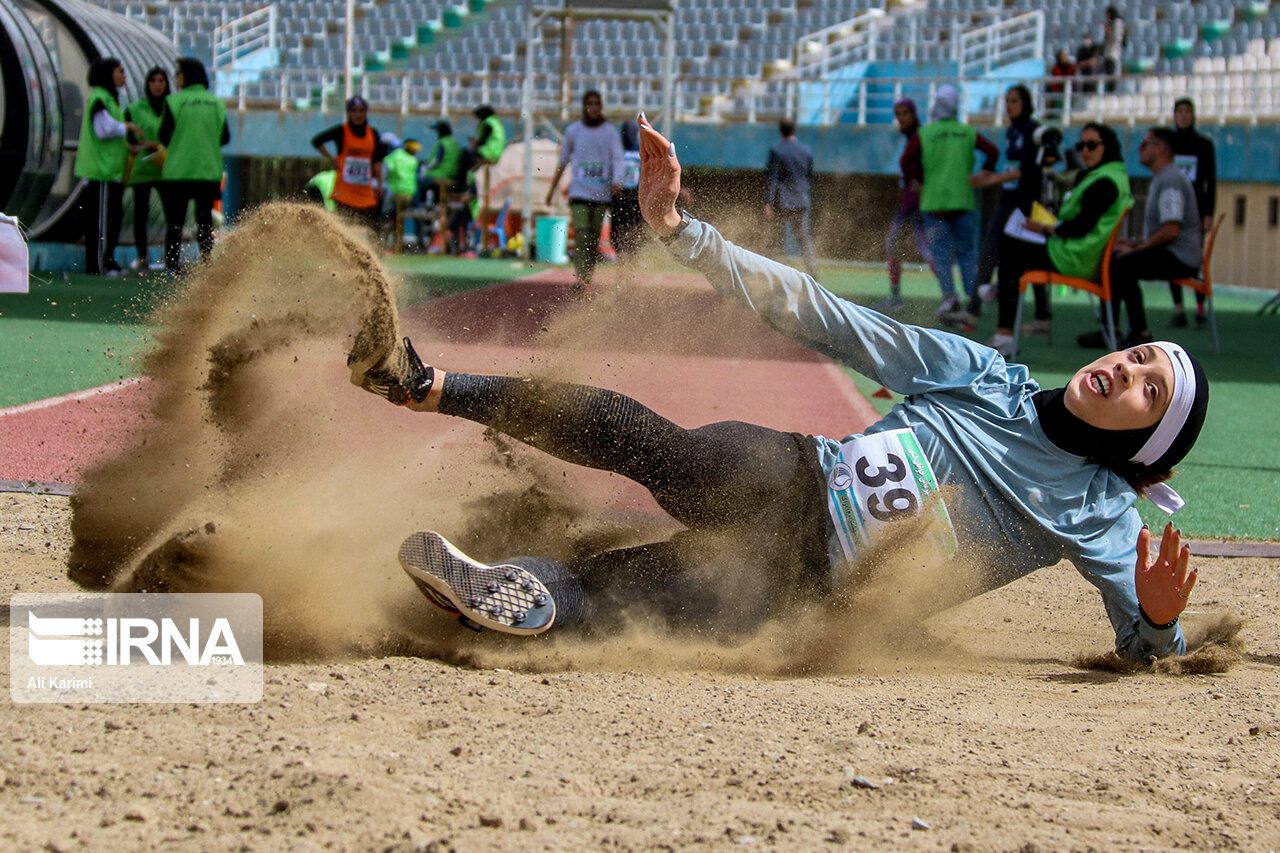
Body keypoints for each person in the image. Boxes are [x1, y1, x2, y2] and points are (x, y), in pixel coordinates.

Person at [350, 114, 1208, 665]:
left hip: (807, 590)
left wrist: (1161, 624)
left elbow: (1146, 649)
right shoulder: (984, 377)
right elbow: (826, 315)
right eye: (1137, 355)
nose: (1124, 368)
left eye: (1146, 387)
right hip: (793, 475)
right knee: (658, 443)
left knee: (621, 591)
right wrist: (684, 232)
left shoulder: (1104, 515)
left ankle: (508, 592)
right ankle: (426, 382)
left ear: (1146, 441)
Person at [988, 123, 1132, 356]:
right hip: (1076, 251)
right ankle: (1003, 292)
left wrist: (1045, 229)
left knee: (1012, 248)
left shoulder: (1105, 181)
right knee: (1014, 246)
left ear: (1109, 146)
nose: (1085, 150)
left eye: (1092, 144)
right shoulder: (1109, 174)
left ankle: (1005, 333)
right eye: (1081, 145)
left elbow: (1081, 227)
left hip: (1076, 256)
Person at [1080, 127, 1201, 350]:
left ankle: (1138, 332)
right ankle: (1115, 329)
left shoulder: (1170, 180)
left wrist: (1137, 249)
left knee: (1121, 264)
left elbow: (1171, 230)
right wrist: (1135, 243)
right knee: (1118, 259)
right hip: (1175, 251)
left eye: (1144, 144)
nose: (1139, 149)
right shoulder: (1163, 177)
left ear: (1160, 148)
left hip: (1180, 256)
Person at [901, 85, 999, 325]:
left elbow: (906, 160)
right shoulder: (967, 132)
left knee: (942, 254)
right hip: (963, 200)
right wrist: (983, 174)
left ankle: (949, 297)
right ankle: (973, 299)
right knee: (967, 253)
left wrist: (916, 181)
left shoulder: (925, 134)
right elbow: (993, 152)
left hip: (934, 202)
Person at [974, 85, 1043, 329]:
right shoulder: (1012, 131)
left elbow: (1027, 170)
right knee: (991, 251)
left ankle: (1040, 318)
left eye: (1015, 100)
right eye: (1007, 100)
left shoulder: (1033, 130)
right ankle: (975, 307)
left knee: (1023, 257)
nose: (1009, 105)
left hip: (1024, 206)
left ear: (1026, 103)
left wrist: (991, 179)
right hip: (1008, 201)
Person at [544, 90, 625, 291]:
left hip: (601, 194)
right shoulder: (573, 131)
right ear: (584, 107)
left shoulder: (609, 132)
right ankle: (581, 278)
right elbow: (563, 160)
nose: (593, 108)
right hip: (579, 192)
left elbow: (618, 159)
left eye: (597, 104)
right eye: (589, 104)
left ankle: (587, 277)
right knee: (581, 234)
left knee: (593, 237)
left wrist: (617, 181)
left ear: (601, 107)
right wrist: (551, 189)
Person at [157, 57, 229, 273]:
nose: (176, 78)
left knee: (175, 223)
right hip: (207, 171)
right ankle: (207, 264)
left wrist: (181, 144)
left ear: (186, 76)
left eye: (178, 74)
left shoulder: (174, 101)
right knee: (205, 221)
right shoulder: (217, 103)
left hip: (178, 171)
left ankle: (172, 267)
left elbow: (163, 135)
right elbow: (225, 137)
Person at [74, 57, 142, 276]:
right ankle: (99, 265)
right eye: (120, 71)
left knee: (110, 219)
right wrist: (127, 127)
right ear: (108, 74)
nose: (124, 76)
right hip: (100, 172)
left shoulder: (109, 99)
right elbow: (103, 130)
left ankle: (106, 261)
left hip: (110, 171)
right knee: (101, 221)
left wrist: (127, 146)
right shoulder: (100, 98)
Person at [874, 98, 933, 313]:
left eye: (905, 113)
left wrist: (923, 187)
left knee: (928, 250)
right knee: (897, 247)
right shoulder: (910, 138)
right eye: (898, 113)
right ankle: (896, 298)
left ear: (914, 114)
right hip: (910, 205)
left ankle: (950, 300)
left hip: (918, 206)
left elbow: (930, 167)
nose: (900, 118)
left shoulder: (920, 138)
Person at [1169, 98, 1216, 327]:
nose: (1184, 115)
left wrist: (1208, 212)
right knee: (1169, 254)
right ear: (1174, 115)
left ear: (1193, 115)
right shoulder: (1167, 144)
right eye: (1180, 111)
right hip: (1172, 211)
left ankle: (1199, 309)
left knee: (1196, 259)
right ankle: (1178, 309)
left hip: (1196, 211)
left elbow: (1210, 181)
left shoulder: (1204, 145)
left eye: (1188, 111)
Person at [311, 96, 386, 232]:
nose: (358, 114)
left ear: (366, 112)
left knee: (373, 230)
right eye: (354, 111)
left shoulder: (372, 134)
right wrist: (332, 159)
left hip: (365, 192)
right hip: (344, 191)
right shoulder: (341, 131)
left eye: (361, 110)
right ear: (349, 113)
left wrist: (380, 183)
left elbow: (376, 160)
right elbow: (317, 141)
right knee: (343, 230)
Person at [124, 66, 170, 271]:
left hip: (166, 168)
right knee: (140, 214)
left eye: (161, 81)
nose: (157, 85)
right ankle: (142, 257)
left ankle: (172, 258)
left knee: (172, 214)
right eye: (153, 81)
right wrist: (146, 145)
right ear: (147, 84)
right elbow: (128, 139)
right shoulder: (134, 109)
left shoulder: (172, 107)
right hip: (143, 168)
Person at [762, 118, 819, 278]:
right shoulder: (806, 150)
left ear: (780, 131)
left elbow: (772, 179)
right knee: (804, 239)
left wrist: (768, 202)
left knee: (775, 240)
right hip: (802, 200)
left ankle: (773, 275)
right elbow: (809, 176)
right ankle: (814, 274)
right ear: (795, 130)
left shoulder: (777, 151)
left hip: (782, 202)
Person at [609, 119, 645, 264]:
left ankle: (627, 271)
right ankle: (625, 270)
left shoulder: (639, 151)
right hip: (623, 198)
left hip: (632, 197)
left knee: (632, 236)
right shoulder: (619, 151)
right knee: (622, 236)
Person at [382, 137, 422, 253]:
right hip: (410, 193)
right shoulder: (414, 160)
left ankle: (386, 239)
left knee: (386, 212)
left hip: (395, 191)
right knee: (402, 215)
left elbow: (387, 167)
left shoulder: (396, 155)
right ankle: (410, 241)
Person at [1102, 7, 1127, 92]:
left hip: (1113, 50)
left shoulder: (1117, 22)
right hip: (1109, 50)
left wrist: (1108, 30)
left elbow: (1115, 37)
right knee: (1108, 70)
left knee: (1111, 70)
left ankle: (1111, 90)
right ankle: (1109, 89)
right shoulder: (1111, 22)